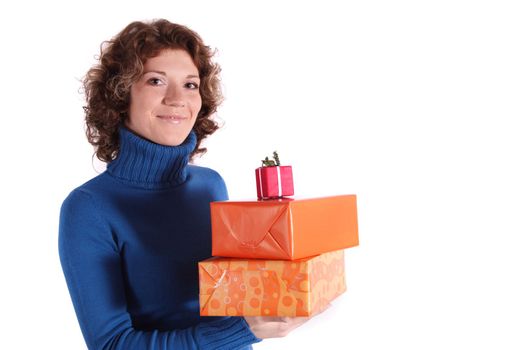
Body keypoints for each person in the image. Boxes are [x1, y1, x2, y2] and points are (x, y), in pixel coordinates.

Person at [58, 19, 313, 349]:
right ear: (121, 95)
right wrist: (242, 331)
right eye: (156, 81)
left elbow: (229, 300)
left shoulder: (211, 186)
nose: (177, 99)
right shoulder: (89, 208)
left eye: (190, 85)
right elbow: (112, 344)